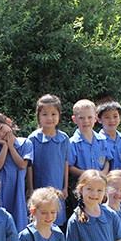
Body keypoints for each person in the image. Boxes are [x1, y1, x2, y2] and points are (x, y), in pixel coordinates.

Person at [0, 111, 34, 232]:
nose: (1, 133)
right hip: (2, 190)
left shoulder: (26, 143)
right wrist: (5, 146)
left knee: (19, 218)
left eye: (1, 128)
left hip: (19, 189)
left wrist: (11, 146)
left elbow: (22, 165)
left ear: (8, 122)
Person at [27, 94, 71, 226]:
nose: (49, 118)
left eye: (53, 114)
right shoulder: (33, 139)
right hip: (39, 187)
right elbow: (29, 166)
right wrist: (30, 188)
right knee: (41, 219)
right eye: (45, 114)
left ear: (59, 115)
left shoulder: (64, 139)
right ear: (38, 116)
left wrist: (65, 187)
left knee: (56, 219)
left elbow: (66, 163)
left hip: (57, 188)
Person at [97, 99, 121, 171]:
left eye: (115, 116)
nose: (112, 120)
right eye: (107, 117)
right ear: (99, 119)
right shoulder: (97, 141)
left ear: (120, 118)